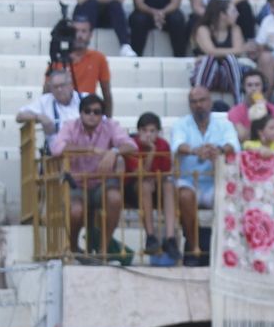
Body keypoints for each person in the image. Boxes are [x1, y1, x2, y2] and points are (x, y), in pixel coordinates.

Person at [51, 93, 137, 257]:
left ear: (102, 115)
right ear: (81, 112)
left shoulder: (110, 125)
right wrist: (88, 149)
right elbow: (57, 148)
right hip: (76, 183)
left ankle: (103, 249)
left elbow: (131, 145)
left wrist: (114, 151)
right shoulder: (70, 125)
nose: (91, 115)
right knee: (75, 211)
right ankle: (74, 247)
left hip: (102, 182)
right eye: (87, 111)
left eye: (96, 112)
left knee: (115, 198)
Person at [170, 85, 240, 266]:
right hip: (188, 181)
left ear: (210, 102)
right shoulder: (181, 124)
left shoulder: (224, 124)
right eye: (194, 102)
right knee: (185, 195)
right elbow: (177, 145)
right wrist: (195, 151)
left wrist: (217, 150)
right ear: (189, 105)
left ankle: (224, 251)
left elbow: (233, 145)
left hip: (214, 181)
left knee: (229, 197)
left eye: (202, 101)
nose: (198, 105)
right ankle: (194, 249)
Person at [123, 111, 175, 263]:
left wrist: (155, 178)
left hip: (156, 185)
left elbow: (166, 173)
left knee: (169, 186)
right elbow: (139, 174)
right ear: (138, 132)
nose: (148, 134)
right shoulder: (132, 145)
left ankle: (170, 237)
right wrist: (151, 151)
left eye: (152, 131)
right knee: (145, 185)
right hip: (133, 189)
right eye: (144, 131)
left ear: (158, 132)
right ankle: (150, 237)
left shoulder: (164, 145)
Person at [189, 0, 249, 102]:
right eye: (233, 11)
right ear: (222, 15)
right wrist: (212, 54)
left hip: (228, 75)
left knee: (230, 59)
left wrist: (213, 54)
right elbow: (211, 51)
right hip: (207, 74)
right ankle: (198, 97)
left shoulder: (235, 29)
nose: (238, 14)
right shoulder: (203, 29)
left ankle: (239, 100)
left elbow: (239, 51)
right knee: (209, 60)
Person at [15, 67, 81, 155]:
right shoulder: (45, 101)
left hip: (86, 148)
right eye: (55, 87)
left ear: (70, 85)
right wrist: (40, 117)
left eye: (62, 85)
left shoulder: (85, 98)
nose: (59, 90)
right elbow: (20, 116)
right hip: (58, 156)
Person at [64, 17, 113, 115]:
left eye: (83, 31)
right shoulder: (59, 58)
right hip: (63, 111)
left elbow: (106, 93)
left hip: (88, 113)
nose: (79, 35)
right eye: (75, 31)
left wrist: (107, 122)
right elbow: (47, 93)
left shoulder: (99, 58)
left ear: (90, 35)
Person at [227, 68, 274, 137]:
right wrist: (256, 120)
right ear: (243, 88)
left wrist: (265, 116)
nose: (253, 89)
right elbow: (242, 138)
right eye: (249, 85)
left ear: (263, 88)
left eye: (257, 85)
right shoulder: (234, 112)